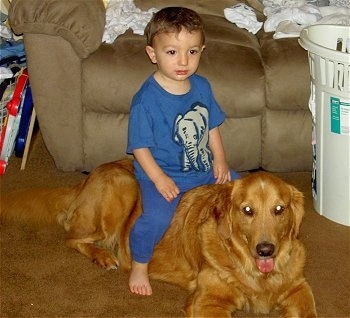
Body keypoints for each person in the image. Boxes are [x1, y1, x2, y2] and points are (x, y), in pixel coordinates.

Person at [126, 6, 240, 296]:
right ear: (153, 54)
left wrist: (221, 159)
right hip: (164, 175)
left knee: (243, 190)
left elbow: (212, 126)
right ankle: (139, 263)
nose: (183, 61)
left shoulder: (201, 86)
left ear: (202, 50)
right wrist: (159, 179)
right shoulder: (145, 100)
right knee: (156, 219)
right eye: (172, 52)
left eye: (192, 52)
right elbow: (139, 147)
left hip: (203, 170)